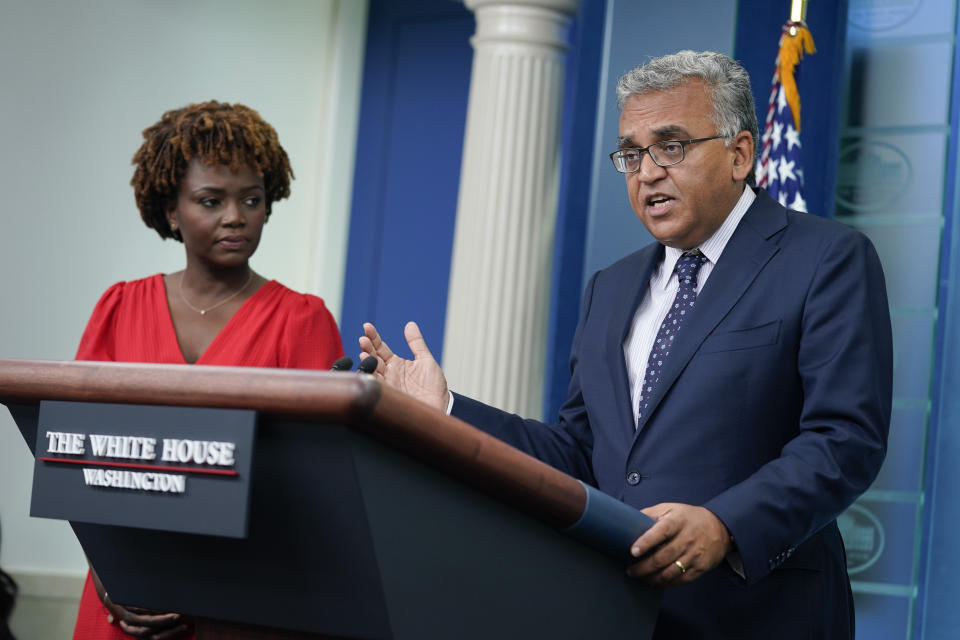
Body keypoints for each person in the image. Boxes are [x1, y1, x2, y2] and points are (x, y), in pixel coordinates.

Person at [359, 51, 892, 639]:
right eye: (632, 154)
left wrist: (725, 525)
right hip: (614, 610)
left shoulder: (825, 258)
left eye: (671, 146)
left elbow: (844, 441)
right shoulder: (609, 289)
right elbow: (580, 456)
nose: (647, 172)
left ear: (740, 155)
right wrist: (448, 412)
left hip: (759, 614)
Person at [72, 101, 344, 639]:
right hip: (122, 596)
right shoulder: (120, 307)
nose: (235, 217)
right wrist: (110, 572)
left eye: (251, 199)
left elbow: (321, 486)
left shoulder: (301, 319)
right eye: (210, 201)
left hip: (249, 599)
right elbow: (77, 456)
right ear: (171, 210)